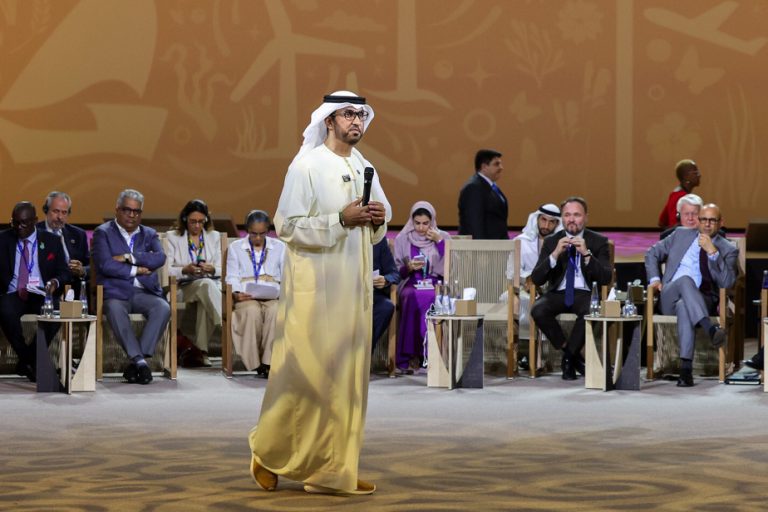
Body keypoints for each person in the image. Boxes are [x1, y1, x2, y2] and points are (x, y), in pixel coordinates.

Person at [248, 91, 390, 496]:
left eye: (361, 115)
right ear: (329, 120)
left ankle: (332, 471)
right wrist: (339, 220)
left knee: (346, 382)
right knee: (305, 379)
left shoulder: (364, 165)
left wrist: (379, 217)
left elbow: (379, 218)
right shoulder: (306, 165)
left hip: (353, 291)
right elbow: (287, 226)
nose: (356, 121)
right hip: (314, 294)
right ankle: (267, 451)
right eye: (348, 114)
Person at [645, 203, 738, 387]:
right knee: (685, 280)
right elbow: (652, 253)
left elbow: (727, 284)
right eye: (703, 219)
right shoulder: (680, 234)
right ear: (698, 221)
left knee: (684, 306)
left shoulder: (728, 248)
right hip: (669, 296)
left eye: (712, 220)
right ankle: (710, 329)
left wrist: (713, 252)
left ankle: (685, 370)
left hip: (702, 301)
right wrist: (655, 279)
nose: (707, 224)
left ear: (721, 223)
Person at [91, 189, 170, 385]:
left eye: (137, 211)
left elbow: (159, 258)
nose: (132, 215)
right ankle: (140, 361)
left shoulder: (149, 234)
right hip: (116, 293)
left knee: (163, 307)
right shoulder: (103, 232)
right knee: (116, 310)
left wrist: (130, 258)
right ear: (117, 210)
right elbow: (105, 265)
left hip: (144, 292)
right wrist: (137, 270)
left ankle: (138, 361)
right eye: (127, 210)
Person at [530, 197, 613, 380]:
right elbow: (536, 278)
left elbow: (606, 278)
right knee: (538, 309)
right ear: (562, 218)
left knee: (591, 310)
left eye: (576, 215)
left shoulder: (598, 241)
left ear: (585, 218)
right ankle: (573, 356)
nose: (572, 219)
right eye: (567, 215)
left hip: (585, 293)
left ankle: (568, 359)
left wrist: (587, 254)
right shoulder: (552, 241)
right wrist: (553, 255)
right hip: (558, 293)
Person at [0, 202, 69, 382]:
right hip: (13, 293)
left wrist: (55, 282)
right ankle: (29, 359)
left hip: (41, 292)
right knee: (3, 309)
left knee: (58, 311)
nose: (19, 227)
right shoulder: (3, 239)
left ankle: (27, 359)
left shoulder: (51, 241)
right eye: (15, 223)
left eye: (24, 223)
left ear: (35, 221)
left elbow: (64, 272)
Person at [225, 210, 285, 377]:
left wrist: (279, 291)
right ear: (246, 230)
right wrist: (236, 293)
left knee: (275, 311)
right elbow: (231, 276)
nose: (258, 238)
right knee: (251, 312)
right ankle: (254, 362)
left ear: (267, 230)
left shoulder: (280, 247)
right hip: (247, 295)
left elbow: (287, 276)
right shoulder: (236, 247)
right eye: (253, 234)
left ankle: (269, 362)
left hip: (272, 294)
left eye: (261, 234)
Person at [393, 201, 450, 372]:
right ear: (412, 221)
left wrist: (439, 242)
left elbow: (452, 266)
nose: (421, 228)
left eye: (426, 223)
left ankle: (431, 355)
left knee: (432, 297)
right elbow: (396, 272)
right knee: (411, 297)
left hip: (435, 283)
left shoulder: (443, 237)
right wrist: (408, 267)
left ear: (432, 221)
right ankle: (411, 355)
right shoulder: (402, 238)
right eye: (417, 223)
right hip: (411, 283)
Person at [165, 199, 222, 366]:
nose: (197, 226)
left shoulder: (214, 237)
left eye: (200, 221)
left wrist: (211, 269)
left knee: (206, 293)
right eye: (193, 221)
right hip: (183, 287)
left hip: (208, 285)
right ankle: (228, 324)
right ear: (184, 219)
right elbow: (166, 270)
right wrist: (184, 270)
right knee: (206, 286)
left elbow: (222, 269)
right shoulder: (173, 237)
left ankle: (201, 352)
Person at [503, 204, 562, 363]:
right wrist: (529, 281)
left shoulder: (561, 245)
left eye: (551, 222)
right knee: (513, 301)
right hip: (522, 288)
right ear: (536, 219)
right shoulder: (521, 241)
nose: (546, 225)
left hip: (551, 291)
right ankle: (516, 354)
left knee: (543, 305)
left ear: (557, 224)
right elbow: (511, 272)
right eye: (543, 220)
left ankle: (537, 358)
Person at [37, 191, 90, 283]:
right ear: (46, 210)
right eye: (56, 211)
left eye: (64, 212)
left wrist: (82, 270)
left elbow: (90, 265)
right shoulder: (35, 232)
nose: (60, 217)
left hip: (73, 286)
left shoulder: (78, 234)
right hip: (45, 284)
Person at [457, 149, 508, 239]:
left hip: (495, 247)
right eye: (496, 164)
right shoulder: (473, 188)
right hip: (483, 249)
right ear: (484, 167)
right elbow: (475, 225)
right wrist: (482, 250)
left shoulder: (490, 186)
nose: (501, 167)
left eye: (500, 163)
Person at [371, 237, 399, 352]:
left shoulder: (378, 240)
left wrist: (386, 280)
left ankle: (366, 352)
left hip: (373, 294)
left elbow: (394, 273)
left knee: (386, 307)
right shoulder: (344, 238)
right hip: (347, 295)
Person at [658, 159, 701, 229]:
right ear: (686, 176)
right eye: (695, 173)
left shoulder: (675, 194)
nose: (699, 175)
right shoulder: (681, 197)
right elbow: (675, 225)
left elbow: (662, 222)